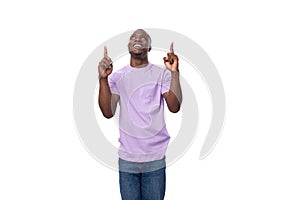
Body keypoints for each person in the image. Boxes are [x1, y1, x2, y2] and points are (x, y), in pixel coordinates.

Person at [98, 29, 182, 200]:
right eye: (133, 38)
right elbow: (108, 112)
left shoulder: (161, 74)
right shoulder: (117, 76)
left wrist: (174, 73)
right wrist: (103, 79)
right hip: (128, 159)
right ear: (129, 46)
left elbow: (174, 107)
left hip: (155, 158)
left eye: (143, 38)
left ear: (149, 47)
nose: (138, 39)